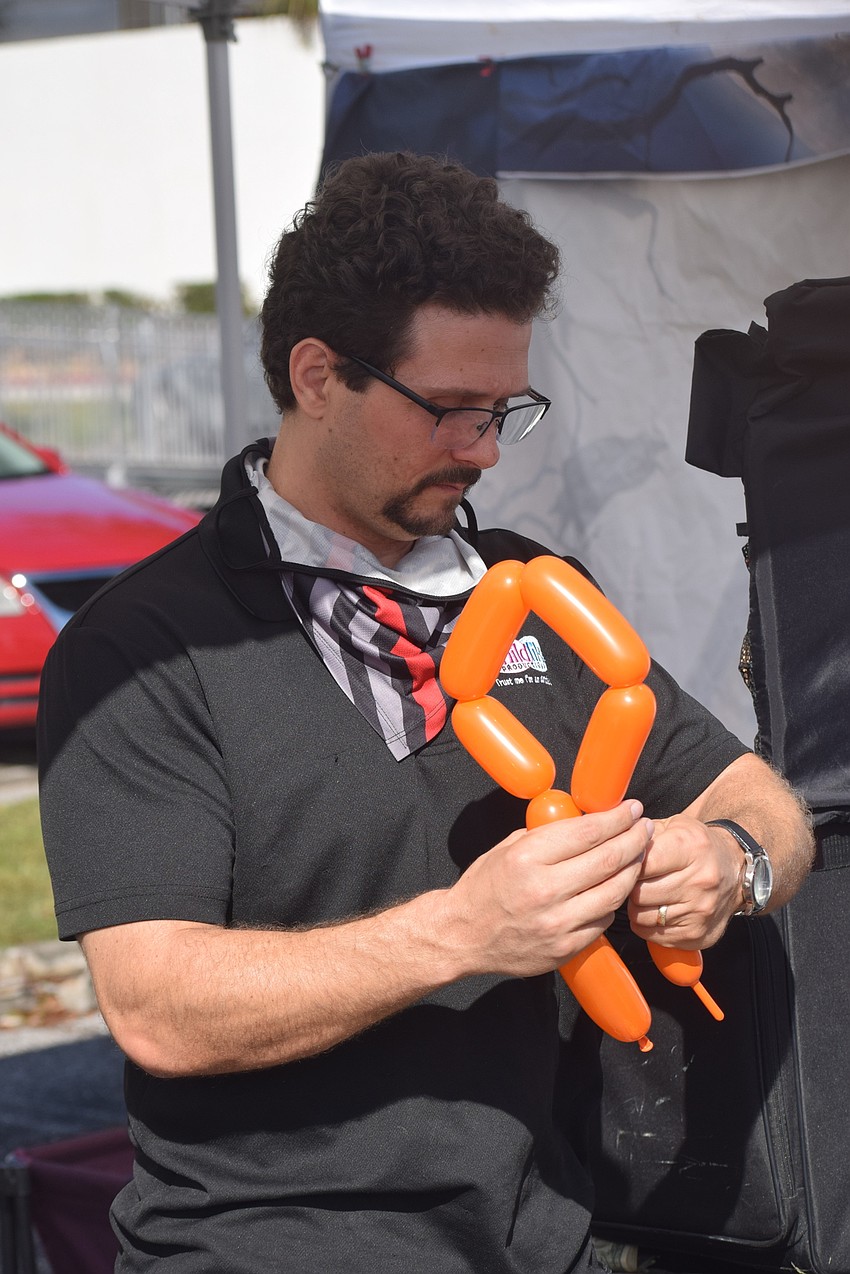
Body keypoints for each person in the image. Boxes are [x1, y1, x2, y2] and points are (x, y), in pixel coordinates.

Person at [37, 151, 813, 1274]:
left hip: (558, 1237)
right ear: (316, 376)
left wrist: (728, 860)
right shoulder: (148, 642)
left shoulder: (536, 588)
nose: (486, 448)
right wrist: (460, 931)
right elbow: (157, 1003)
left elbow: (758, 797)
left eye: (507, 409)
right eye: (449, 409)